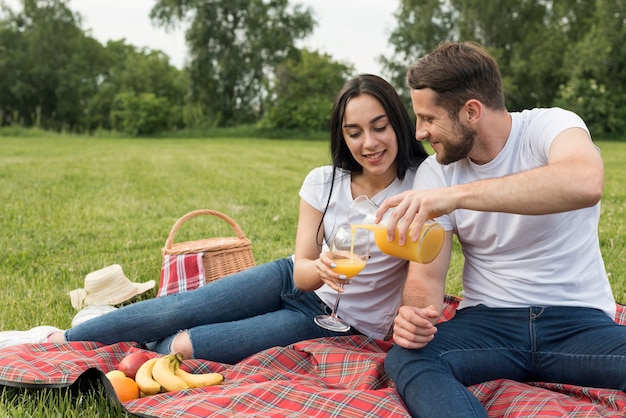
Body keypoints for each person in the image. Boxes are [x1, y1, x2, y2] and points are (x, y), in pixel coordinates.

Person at [0, 74, 429, 364]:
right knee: (181, 307)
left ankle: (115, 326)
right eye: (354, 132)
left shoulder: (420, 186)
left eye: (380, 127)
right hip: (293, 280)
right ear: (342, 135)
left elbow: (423, 273)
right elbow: (301, 266)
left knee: (181, 344)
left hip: (336, 322)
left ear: (399, 123)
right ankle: (54, 339)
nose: (368, 142)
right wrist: (318, 268)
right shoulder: (323, 181)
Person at [374, 41, 626, 417]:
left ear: (471, 110)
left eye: (428, 118)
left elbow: (585, 182)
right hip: (489, 324)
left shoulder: (552, 125)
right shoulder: (434, 173)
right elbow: (426, 276)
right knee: (407, 359)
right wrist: (415, 317)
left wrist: (454, 197)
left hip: (578, 322)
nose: (420, 132)